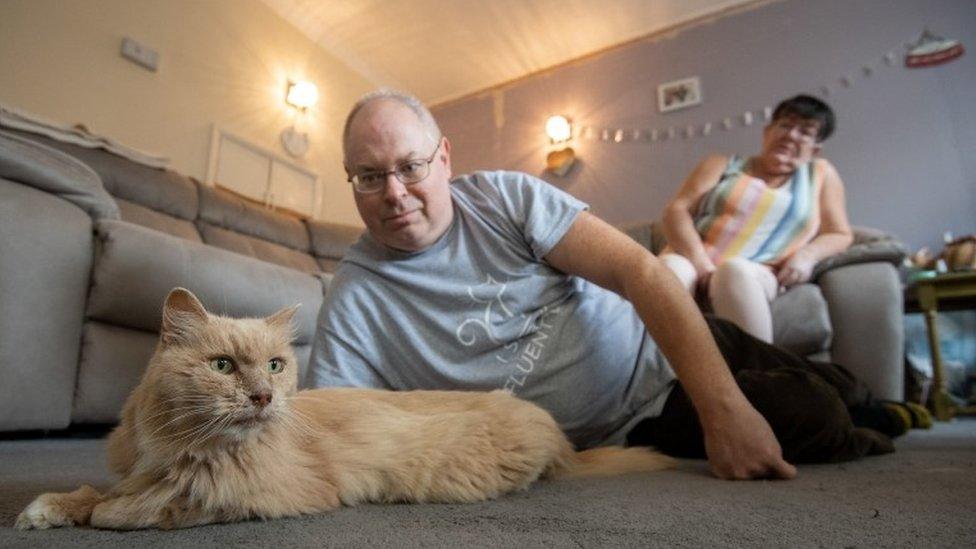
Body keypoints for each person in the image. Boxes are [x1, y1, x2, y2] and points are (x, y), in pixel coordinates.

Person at [306, 90, 906, 481]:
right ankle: (871, 425)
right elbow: (324, 428)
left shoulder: (504, 197)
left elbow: (639, 270)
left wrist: (724, 409)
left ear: (443, 158)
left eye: (409, 166)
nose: (394, 192)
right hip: (633, 420)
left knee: (844, 388)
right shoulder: (355, 297)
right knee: (816, 414)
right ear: (350, 180)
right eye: (369, 176)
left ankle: (880, 404)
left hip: (666, 343)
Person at [659, 95, 852, 343]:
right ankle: (657, 373)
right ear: (767, 131)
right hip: (692, 259)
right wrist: (700, 262)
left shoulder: (821, 174)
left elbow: (839, 233)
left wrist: (806, 256)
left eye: (805, 131)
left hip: (754, 270)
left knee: (733, 271)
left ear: (815, 148)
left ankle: (755, 376)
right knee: (669, 270)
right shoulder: (722, 164)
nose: (791, 135)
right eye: (785, 125)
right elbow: (676, 210)